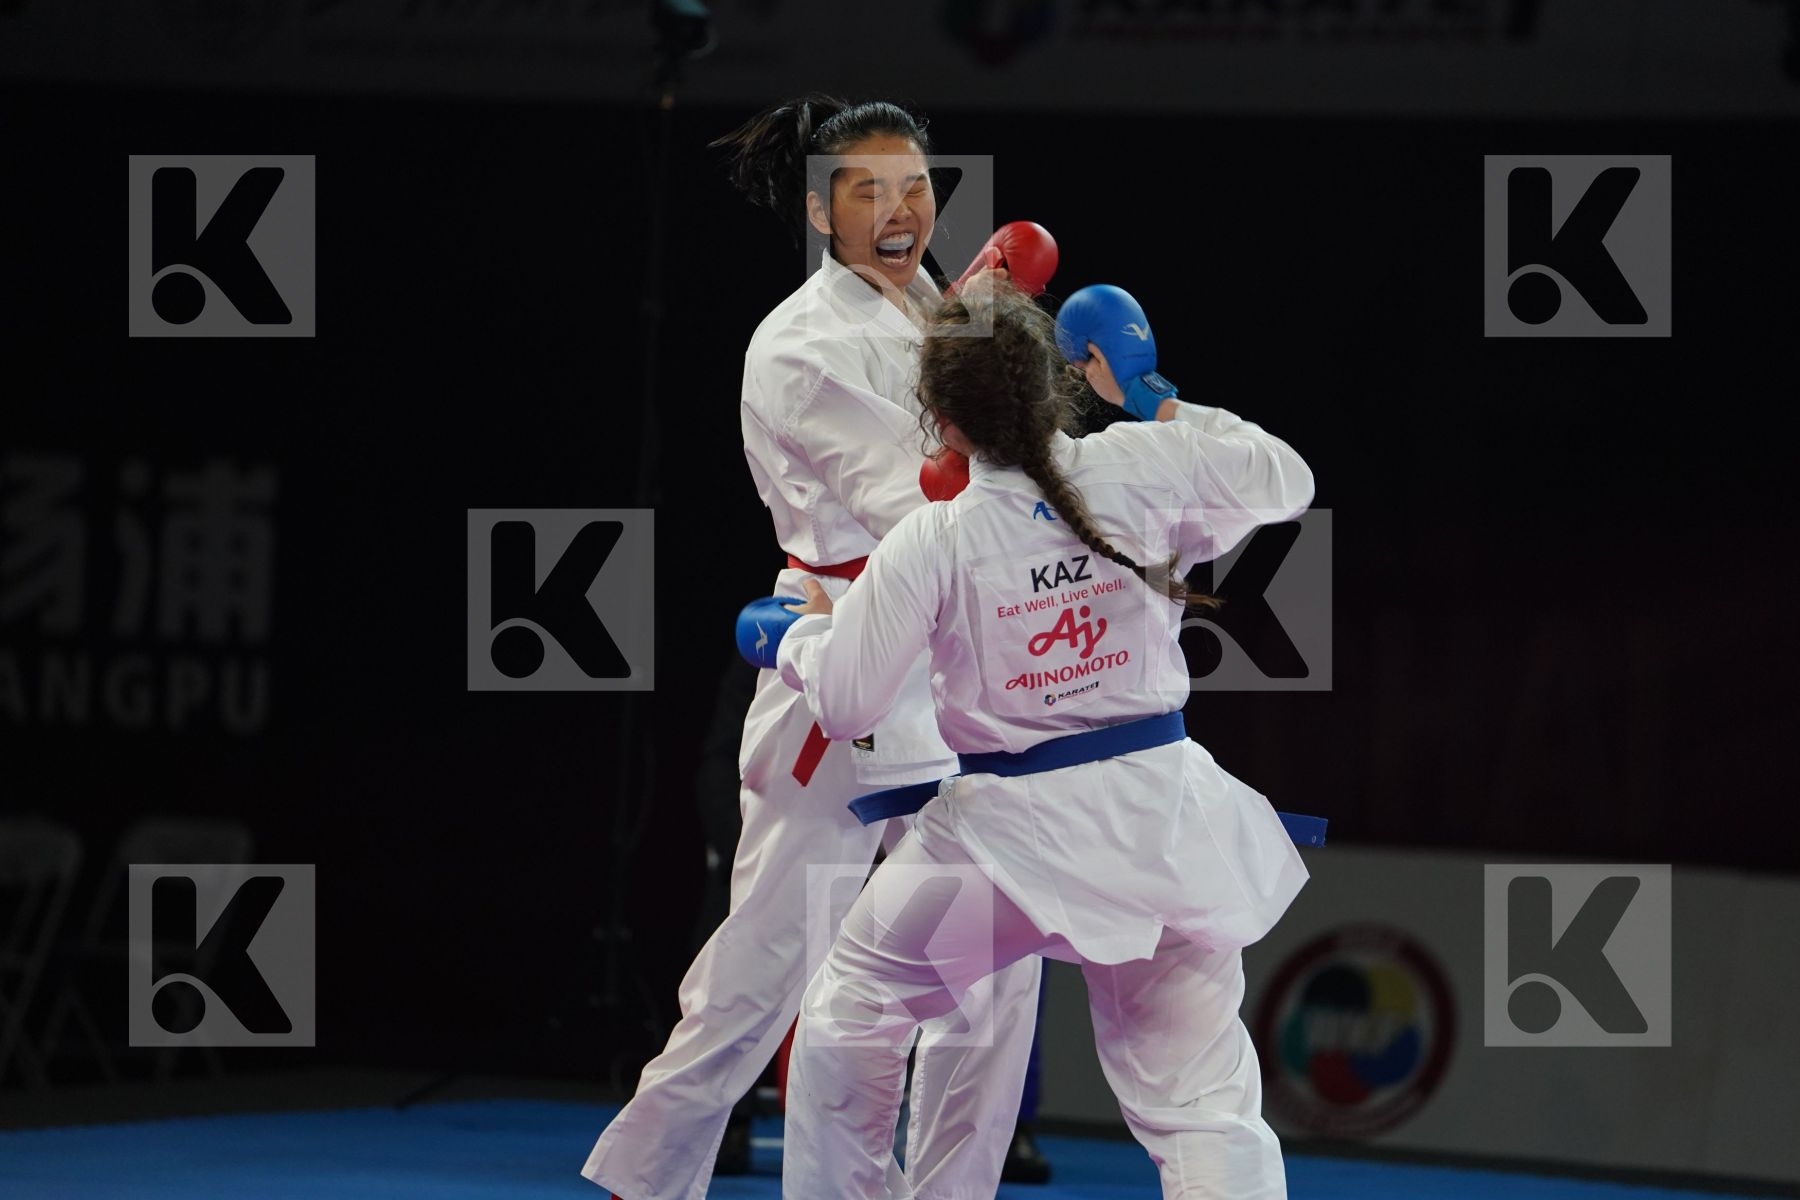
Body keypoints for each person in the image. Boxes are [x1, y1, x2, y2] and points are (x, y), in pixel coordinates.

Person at [581, 94, 1042, 1200]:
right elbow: (911, 506)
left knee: (988, 958)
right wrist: (1014, 438)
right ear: (818, 208)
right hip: (843, 654)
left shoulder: (937, 299)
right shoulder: (799, 345)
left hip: (953, 663)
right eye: (867, 191)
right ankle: (647, 1180)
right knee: (765, 964)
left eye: (916, 187)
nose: (898, 210)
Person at [773, 281, 1316, 1199]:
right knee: (1202, 1105)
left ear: (939, 420)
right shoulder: (1143, 464)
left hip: (1001, 851)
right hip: (1159, 823)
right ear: (1060, 383)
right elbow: (1286, 480)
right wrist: (1150, 395)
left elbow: (850, 705)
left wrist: (793, 637)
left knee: (851, 1015)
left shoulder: (935, 537)